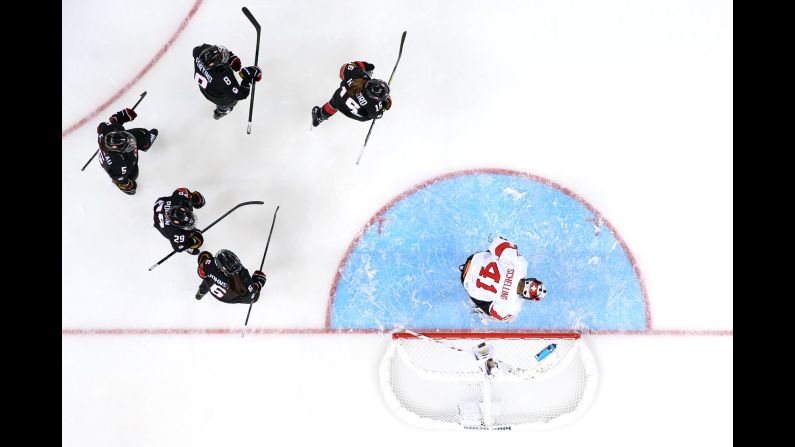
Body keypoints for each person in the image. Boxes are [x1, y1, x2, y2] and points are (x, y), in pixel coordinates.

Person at [459, 236, 547, 323]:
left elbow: (499, 246)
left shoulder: (520, 264)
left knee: (507, 251)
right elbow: (493, 312)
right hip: (466, 281)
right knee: (509, 318)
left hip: (473, 260)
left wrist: (511, 247)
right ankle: (479, 311)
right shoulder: (513, 307)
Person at [96, 108, 158, 195]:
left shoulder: (108, 129)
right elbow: (119, 178)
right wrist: (128, 185)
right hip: (118, 166)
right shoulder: (119, 168)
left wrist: (124, 115)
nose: (132, 143)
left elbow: (110, 122)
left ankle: (145, 144)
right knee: (133, 174)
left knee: (142, 134)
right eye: (128, 146)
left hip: (117, 154)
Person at [312, 61, 392, 127]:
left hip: (341, 97)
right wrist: (385, 104)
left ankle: (319, 117)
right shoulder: (373, 106)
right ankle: (320, 116)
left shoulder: (356, 76)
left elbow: (344, 68)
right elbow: (378, 115)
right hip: (359, 114)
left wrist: (362, 65)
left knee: (334, 104)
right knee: (368, 112)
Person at [192, 44, 263, 119]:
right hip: (219, 97)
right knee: (231, 102)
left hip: (205, 87)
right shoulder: (221, 78)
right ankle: (223, 109)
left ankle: (222, 107)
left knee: (218, 86)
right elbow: (241, 94)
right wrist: (248, 77)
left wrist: (231, 57)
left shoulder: (199, 52)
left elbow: (196, 50)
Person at [195, 249, 267, 304]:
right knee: (253, 294)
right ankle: (202, 290)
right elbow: (252, 298)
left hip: (210, 286)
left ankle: (200, 292)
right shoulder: (242, 280)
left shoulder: (209, 265)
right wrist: (258, 284)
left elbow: (201, 273)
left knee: (208, 278)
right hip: (228, 298)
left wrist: (204, 260)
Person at [153, 188, 206, 255]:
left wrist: (192, 197)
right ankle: (187, 245)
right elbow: (178, 248)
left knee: (189, 202)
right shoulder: (175, 232)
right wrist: (191, 242)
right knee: (184, 235)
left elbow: (181, 190)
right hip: (160, 223)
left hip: (160, 203)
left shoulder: (178, 199)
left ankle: (187, 239)